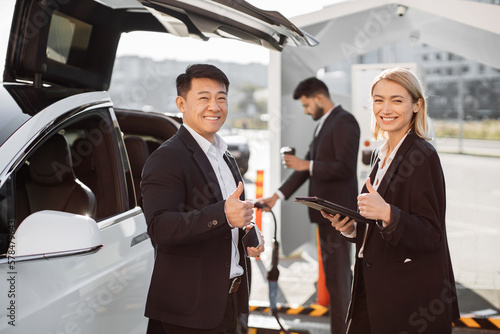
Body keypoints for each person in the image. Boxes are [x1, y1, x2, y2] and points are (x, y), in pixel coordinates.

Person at [322, 67, 459, 333]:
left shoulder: (423, 155)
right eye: (378, 100)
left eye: (397, 100)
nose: (386, 108)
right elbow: (377, 224)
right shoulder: (380, 153)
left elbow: (431, 234)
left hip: (408, 300)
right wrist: (352, 228)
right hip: (372, 289)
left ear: (417, 105)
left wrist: (388, 213)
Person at [141, 64, 264, 333]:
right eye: (204, 98)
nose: (215, 106)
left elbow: (227, 218)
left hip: (230, 301)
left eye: (221, 98)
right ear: (181, 104)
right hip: (189, 313)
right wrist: (223, 215)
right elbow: (160, 228)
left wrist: (246, 232)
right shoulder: (167, 158)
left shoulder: (225, 155)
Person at [260, 77, 360, 334]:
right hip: (326, 216)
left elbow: (345, 167)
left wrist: (307, 165)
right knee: (336, 281)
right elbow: (305, 169)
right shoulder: (324, 126)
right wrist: (276, 196)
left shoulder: (345, 121)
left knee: (339, 281)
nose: (306, 111)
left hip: (340, 218)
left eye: (306, 105)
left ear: (319, 98)